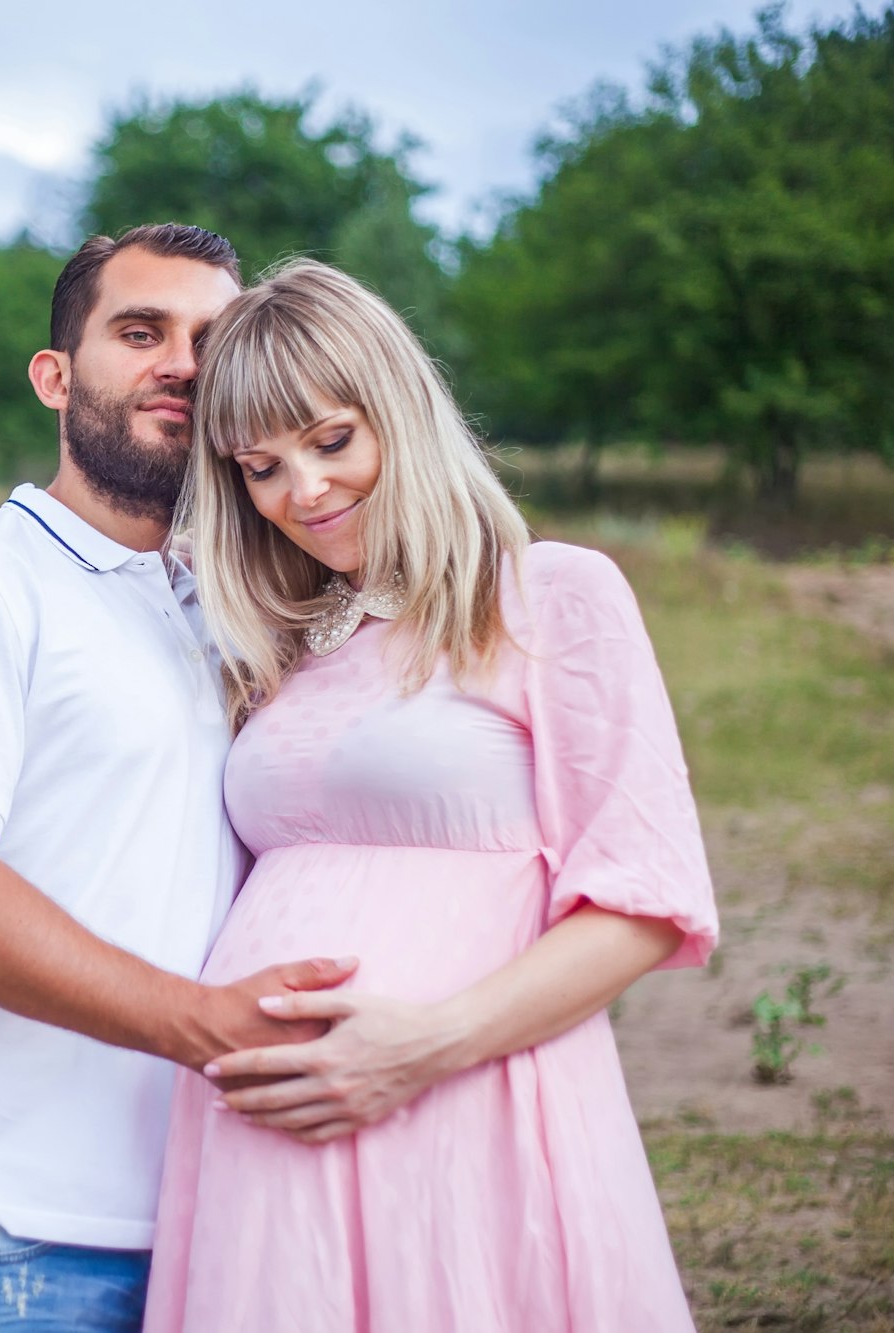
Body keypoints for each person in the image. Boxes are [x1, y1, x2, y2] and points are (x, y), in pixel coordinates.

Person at [143, 259, 721, 1332]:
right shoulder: (281, 651)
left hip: (463, 1106)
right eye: (259, 467)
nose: (301, 493)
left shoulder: (547, 594)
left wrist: (423, 1043)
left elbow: (644, 900)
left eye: (330, 441)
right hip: (258, 1153)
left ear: (398, 414)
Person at [0, 225, 355, 1331]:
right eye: (138, 331)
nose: (179, 362)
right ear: (54, 375)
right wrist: (199, 1023)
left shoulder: (250, 606)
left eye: (209, 339)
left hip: (236, 1201)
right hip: (20, 1220)